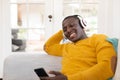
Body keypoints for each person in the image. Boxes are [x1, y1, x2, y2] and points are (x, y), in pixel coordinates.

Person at [42, 15, 117, 80]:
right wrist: (63, 32)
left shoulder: (98, 39)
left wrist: (68, 78)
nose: (68, 30)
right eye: (65, 29)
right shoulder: (66, 47)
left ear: (82, 25)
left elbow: (107, 67)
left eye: (72, 26)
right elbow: (48, 47)